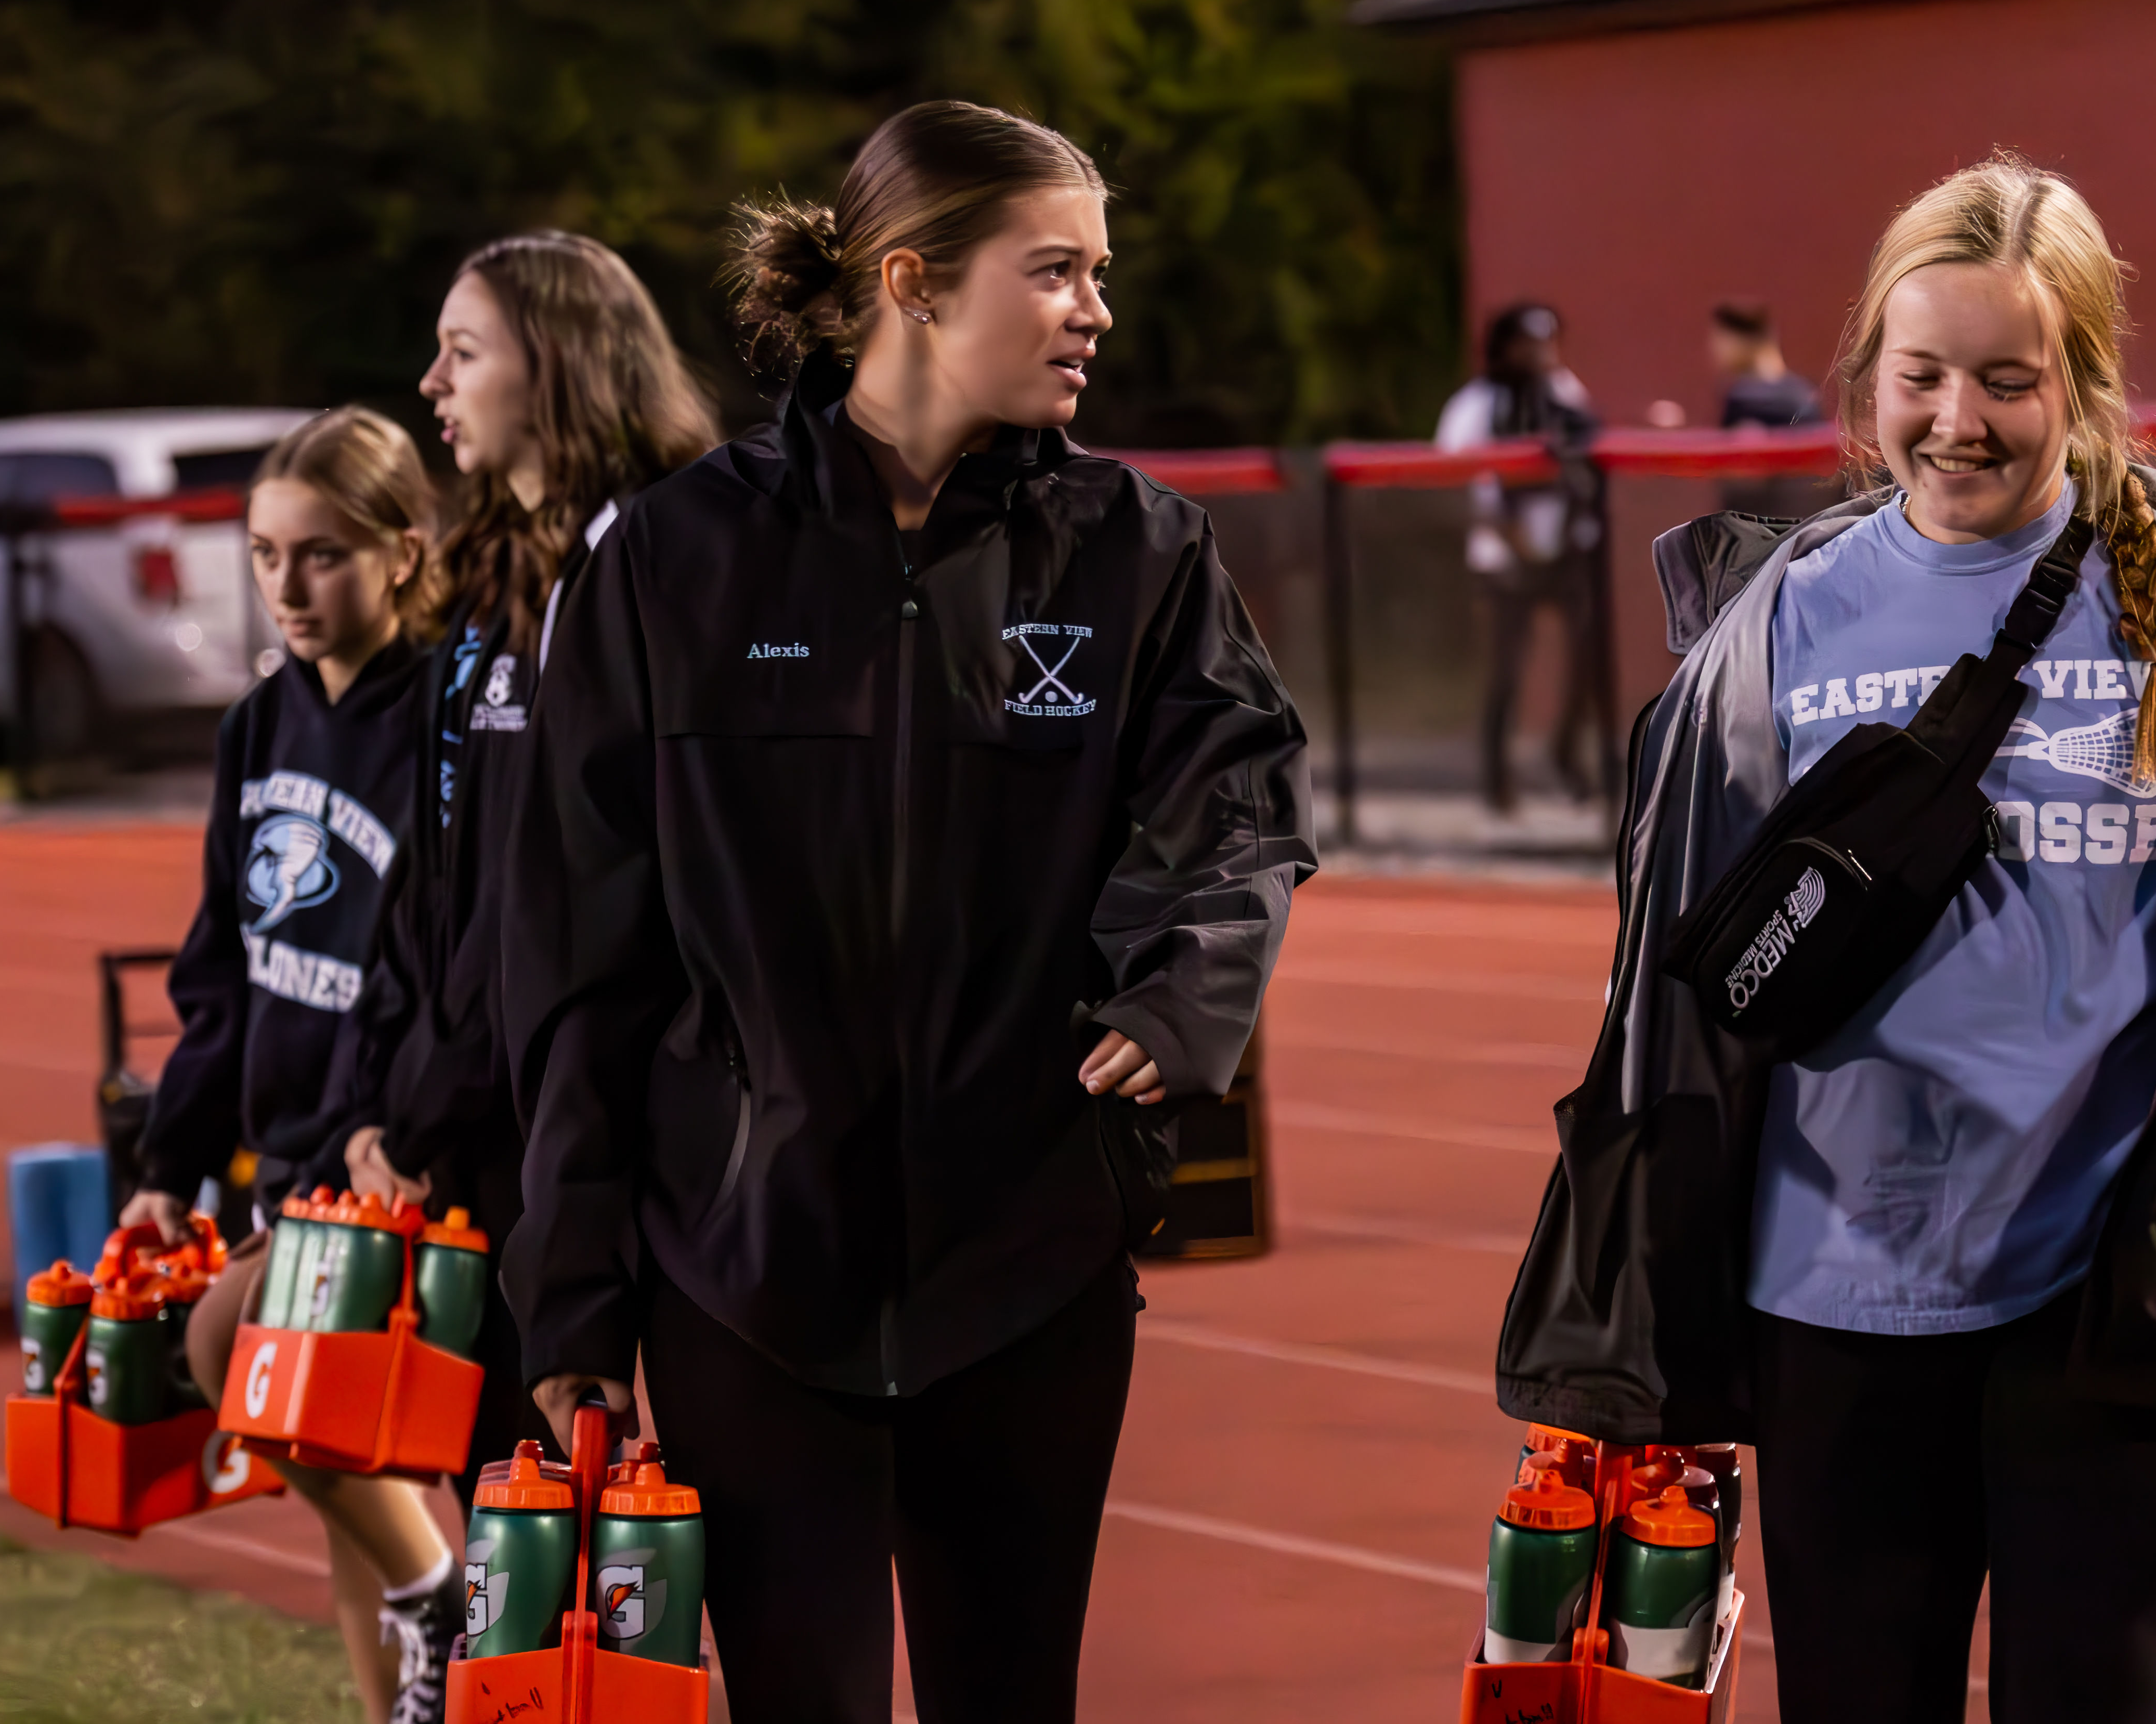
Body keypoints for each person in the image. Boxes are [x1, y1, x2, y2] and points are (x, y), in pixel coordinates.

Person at [1494, 153, 2156, 1724]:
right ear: (1864, 381)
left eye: (2007, 380)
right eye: (1919, 377)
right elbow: (1659, 982)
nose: (1955, 422)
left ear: (2080, 382)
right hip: (1826, 1297)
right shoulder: (1762, 628)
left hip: (2102, 1300)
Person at [502, 100, 1312, 1722]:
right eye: (1059, 269)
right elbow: (576, 953)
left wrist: (1183, 992)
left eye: (1101, 272)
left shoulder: (1140, 552)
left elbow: (1242, 812)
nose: (1097, 308)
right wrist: (571, 1285)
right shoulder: (672, 562)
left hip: (1029, 1263)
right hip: (741, 1275)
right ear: (912, 281)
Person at [330, 232, 718, 1525]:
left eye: (464, 351)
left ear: (553, 365)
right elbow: (458, 880)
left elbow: (585, 903)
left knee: (616, 1530)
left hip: (630, 1129)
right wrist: (404, 1092)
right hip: (504, 1121)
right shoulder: (498, 574)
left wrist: (432, 1097)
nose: (431, 383)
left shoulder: (664, 559)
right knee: (512, 1508)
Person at [119, 407, 461, 1724]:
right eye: (266, 554)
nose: (288, 584)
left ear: (402, 552)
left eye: (321, 554)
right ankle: (402, 1683)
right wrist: (175, 1161)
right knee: (332, 1479)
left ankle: (441, 1593)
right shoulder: (257, 726)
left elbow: (453, 955)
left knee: (243, 1355)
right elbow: (222, 969)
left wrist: (403, 1117)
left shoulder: (443, 716)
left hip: (387, 1153)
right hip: (284, 1150)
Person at [1434, 303, 1604, 812]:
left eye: (1548, 341)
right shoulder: (1474, 406)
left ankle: (1567, 754)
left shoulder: (1565, 392)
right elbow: (1453, 484)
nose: (1540, 354)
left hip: (1565, 552)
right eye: (1528, 343)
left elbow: (1588, 462)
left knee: (1588, 656)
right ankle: (1497, 781)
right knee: (1507, 671)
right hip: (1503, 558)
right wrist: (1507, 536)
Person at [1708, 297, 1823, 428]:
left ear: (1738, 340)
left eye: (1720, 342)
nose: (1715, 352)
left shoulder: (1744, 401)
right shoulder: (1806, 394)